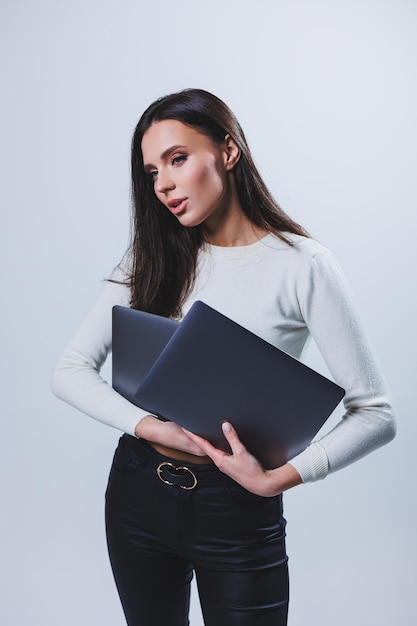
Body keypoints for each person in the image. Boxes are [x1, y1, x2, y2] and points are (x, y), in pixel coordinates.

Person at [51, 88, 396, 626]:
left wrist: (275, 480)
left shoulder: (303, 266)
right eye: (151, 171)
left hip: (236, 511)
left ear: (228, 152)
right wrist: (149, 427)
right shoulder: (152, 254)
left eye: (178, 159)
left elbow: (376, 413)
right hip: (138, 495)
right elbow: (70, 370)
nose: (163, 183)